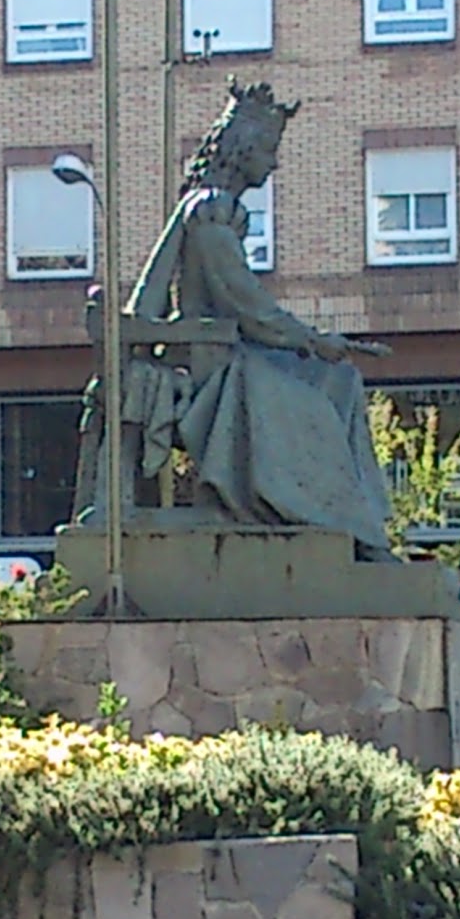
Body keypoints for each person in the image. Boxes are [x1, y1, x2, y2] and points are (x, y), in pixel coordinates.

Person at [73, 79, 398, 562]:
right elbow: (245, 303)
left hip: (228, 353)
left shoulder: (216, 210)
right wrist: (312, 340)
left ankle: (360, 528)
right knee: (311, 401)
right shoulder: (212, 213)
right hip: (215, 368)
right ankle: (336, 523)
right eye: (268, 150)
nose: (274, 162)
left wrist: (313, 344)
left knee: (342, 381)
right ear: (243, 150)